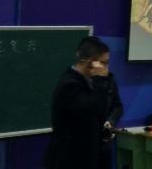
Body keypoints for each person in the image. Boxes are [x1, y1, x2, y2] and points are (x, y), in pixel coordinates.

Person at [44, 36, 112, 169]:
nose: (106, 68)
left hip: (89, 155)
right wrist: (100, 80)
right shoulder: (70, 84)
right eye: (104, 63)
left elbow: (101, 111)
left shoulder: (91, 81)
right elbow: (91, 109)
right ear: (90, 62)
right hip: (70, 159)